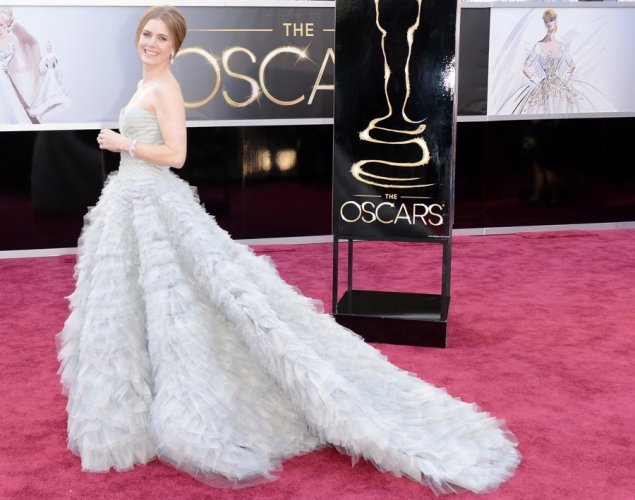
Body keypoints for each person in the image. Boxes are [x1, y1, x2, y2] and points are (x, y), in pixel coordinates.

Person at [57, 6, 520, 495]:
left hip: (151, 198)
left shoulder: (164, 88)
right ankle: (137, 395)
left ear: (175, 46)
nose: (151, 43)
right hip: (130, 203)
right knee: (135, 302)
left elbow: (177, 155)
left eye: (161, 38)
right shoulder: (143, 84)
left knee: (184, 300)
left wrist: (123, 143)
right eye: (146, 34)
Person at [497, 8, 613, 115]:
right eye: (546, 21)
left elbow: (572, 64)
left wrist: (565, 77)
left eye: (551, 20)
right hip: (543, 86)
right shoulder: (538, 45)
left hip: (560, 84)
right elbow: (525, 68)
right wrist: (537, 81)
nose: (549, 24)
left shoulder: (561, 46)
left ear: (555, 21)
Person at [0, 7, 31, 124]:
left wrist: (16, 71)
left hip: (3, 78)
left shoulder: (12, 41)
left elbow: (25, 61)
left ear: (7, 25)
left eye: (1, 25)